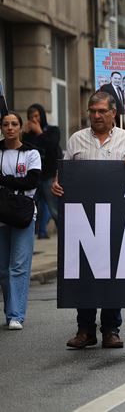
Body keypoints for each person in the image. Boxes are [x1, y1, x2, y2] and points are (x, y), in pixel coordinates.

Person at [54, 92, 125, 349]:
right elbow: (63, 174)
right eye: (92, 111)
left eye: (101, 111)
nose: (96, 116)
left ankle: (110, 329)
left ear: (113, 113)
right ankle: (85, 330)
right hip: (83, 220)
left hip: (117, 219)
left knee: (112, 275)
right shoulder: (76, 140)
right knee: (84, 275)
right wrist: (57, 183)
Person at [0, 113, 41, 331]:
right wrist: (15, 183)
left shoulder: (31, 152)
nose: (9, 128)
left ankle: (16, 315)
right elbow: (22, 182)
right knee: (3, 268)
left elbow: (32, 182)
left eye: (14, 124)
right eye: (5, 124)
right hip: (1, 213)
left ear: (20, 127)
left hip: (24, 212)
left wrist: (5, 180)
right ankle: (10, 311)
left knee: (18, 266)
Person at [22, 104, 61, 240]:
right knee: (31, 210)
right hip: (33, 177)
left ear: (42, 116)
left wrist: (39, 132)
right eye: (31, 117)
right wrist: (24, 134)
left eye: (37, 116)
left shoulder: (52, 130)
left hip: (48, 176)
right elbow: (23, 150)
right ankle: (35, 234)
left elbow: (52, 146)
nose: (34, 120)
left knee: (54, 210)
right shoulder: (28, 135)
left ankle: (64, 237)